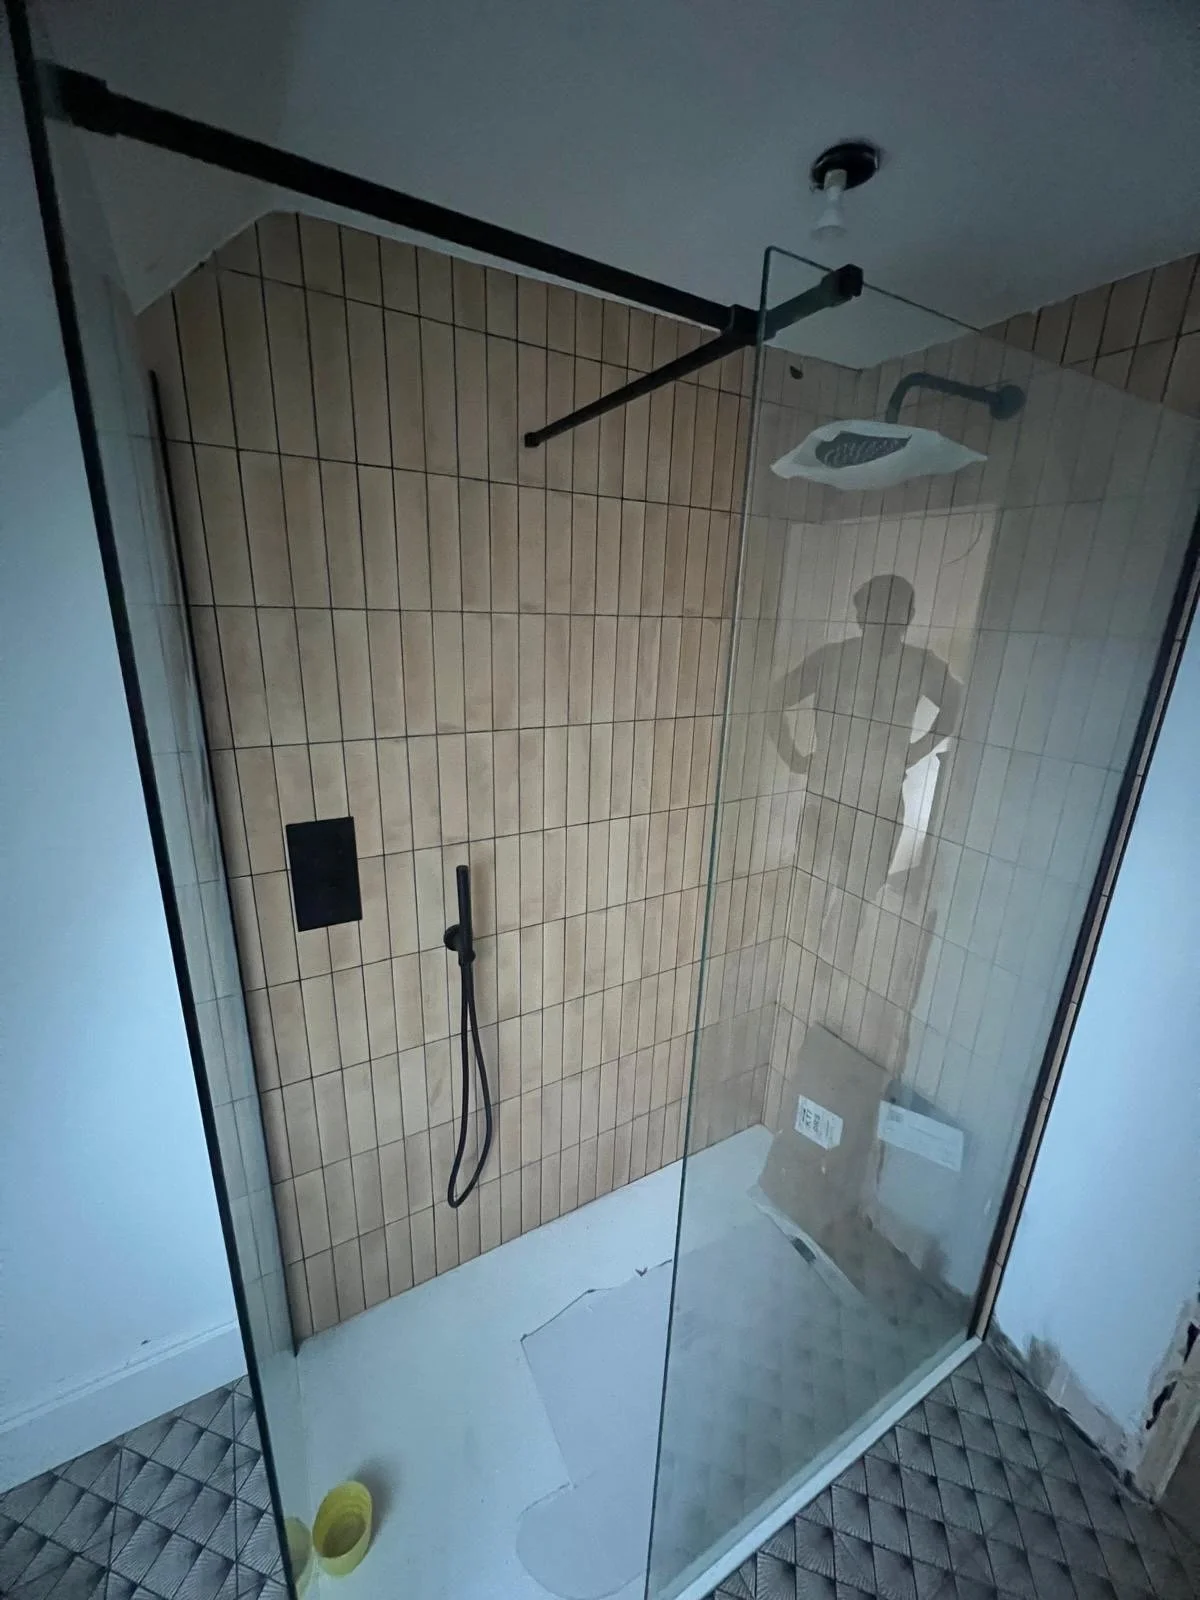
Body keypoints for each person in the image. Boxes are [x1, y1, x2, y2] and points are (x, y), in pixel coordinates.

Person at [772, 574, 962, 901]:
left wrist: (917, 751)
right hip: (829, 795)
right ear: (861, 614)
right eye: (878, 609)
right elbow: (771, 699)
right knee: (811, 890)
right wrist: (794, 757)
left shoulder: (920, 664)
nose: (886, 619)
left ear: (909, 616)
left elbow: (958, 704)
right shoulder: (831, 658)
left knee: (859, 895)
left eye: (895, 610)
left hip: (881, 797)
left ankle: (841, 948)